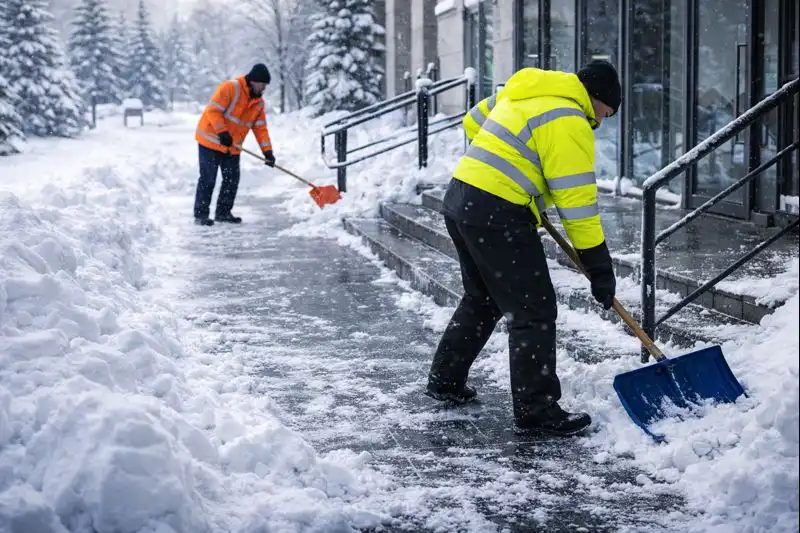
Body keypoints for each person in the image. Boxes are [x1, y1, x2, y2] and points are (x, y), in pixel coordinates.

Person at [424, 60, 621, 436]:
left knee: (482, 299)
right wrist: (599, 267)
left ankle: (445, 381)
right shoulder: (570, 119)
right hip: (497, 213)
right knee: (534, 309)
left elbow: (472, 121)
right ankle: (536, 410)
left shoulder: (526, 90)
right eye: (605, 113)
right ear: (596, 98)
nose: (601, 121)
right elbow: (577, 204)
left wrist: (515, 168)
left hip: (461, 198)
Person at [193, 63, 276, 226]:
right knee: (208, 178)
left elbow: (260, 128)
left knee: (231, 179)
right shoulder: (231, 87)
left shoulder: (258, 103)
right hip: (211, 140)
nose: (264, 88)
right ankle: (201, 215)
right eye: (262, 84)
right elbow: (213, 111)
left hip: (232, 146)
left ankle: (223, 213)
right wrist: (222, 132)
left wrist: (267, 152)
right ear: (253, 81)